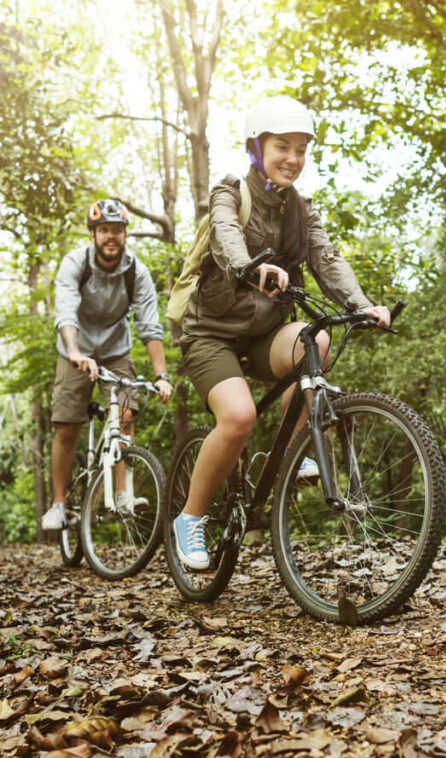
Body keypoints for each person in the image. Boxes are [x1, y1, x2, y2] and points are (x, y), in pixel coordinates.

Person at [172, 95, 390, 570]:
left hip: (263, 335)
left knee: (320, 340)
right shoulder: (231, 192)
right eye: (281, 147)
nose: (293, 158)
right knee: (238, 418)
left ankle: (291, 457)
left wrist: (361, 305)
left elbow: (327, 261)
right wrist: (253, 267)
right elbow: (225, 235)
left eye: (301, 148)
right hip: (211, 333)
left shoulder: (301, 211)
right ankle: (190, 518)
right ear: (257, 149)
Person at [42, 200, 173, 532]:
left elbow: (150, 327)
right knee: (67, 424)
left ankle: (122, 494)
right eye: (104, 230)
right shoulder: (75, 263)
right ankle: (59, 504)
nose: (111, 236)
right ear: (93, 234)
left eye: (117, 230)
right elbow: (66, 313)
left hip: (116, 351)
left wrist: (162, 376)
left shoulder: (136, 272)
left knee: (127, 414)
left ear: (126, 234)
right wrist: (74, 352)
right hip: (76, 349)